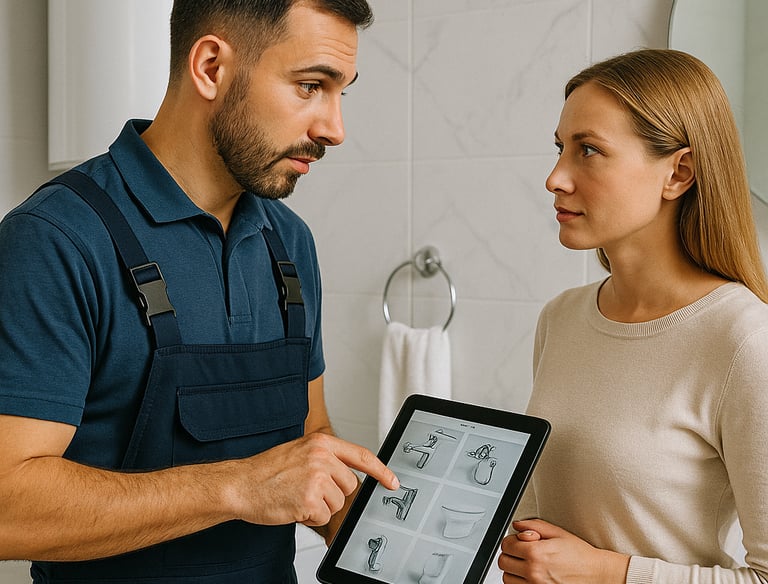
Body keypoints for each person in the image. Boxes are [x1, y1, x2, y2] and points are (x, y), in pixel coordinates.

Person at [0, 1, 399, 582]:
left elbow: (310, 435)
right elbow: (6, 504)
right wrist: (237, 486)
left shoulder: (287, 241)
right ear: (211, 67)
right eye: (311, 86)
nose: (333, 128)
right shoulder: (55, 239)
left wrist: (394, 539)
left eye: (342, 94)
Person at [498, 49, 768, 583]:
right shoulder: (563, 319)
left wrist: (607, 573)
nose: (555, 178)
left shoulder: (742, 338)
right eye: (560, 149)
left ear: (678, 172)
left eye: (589, 150)